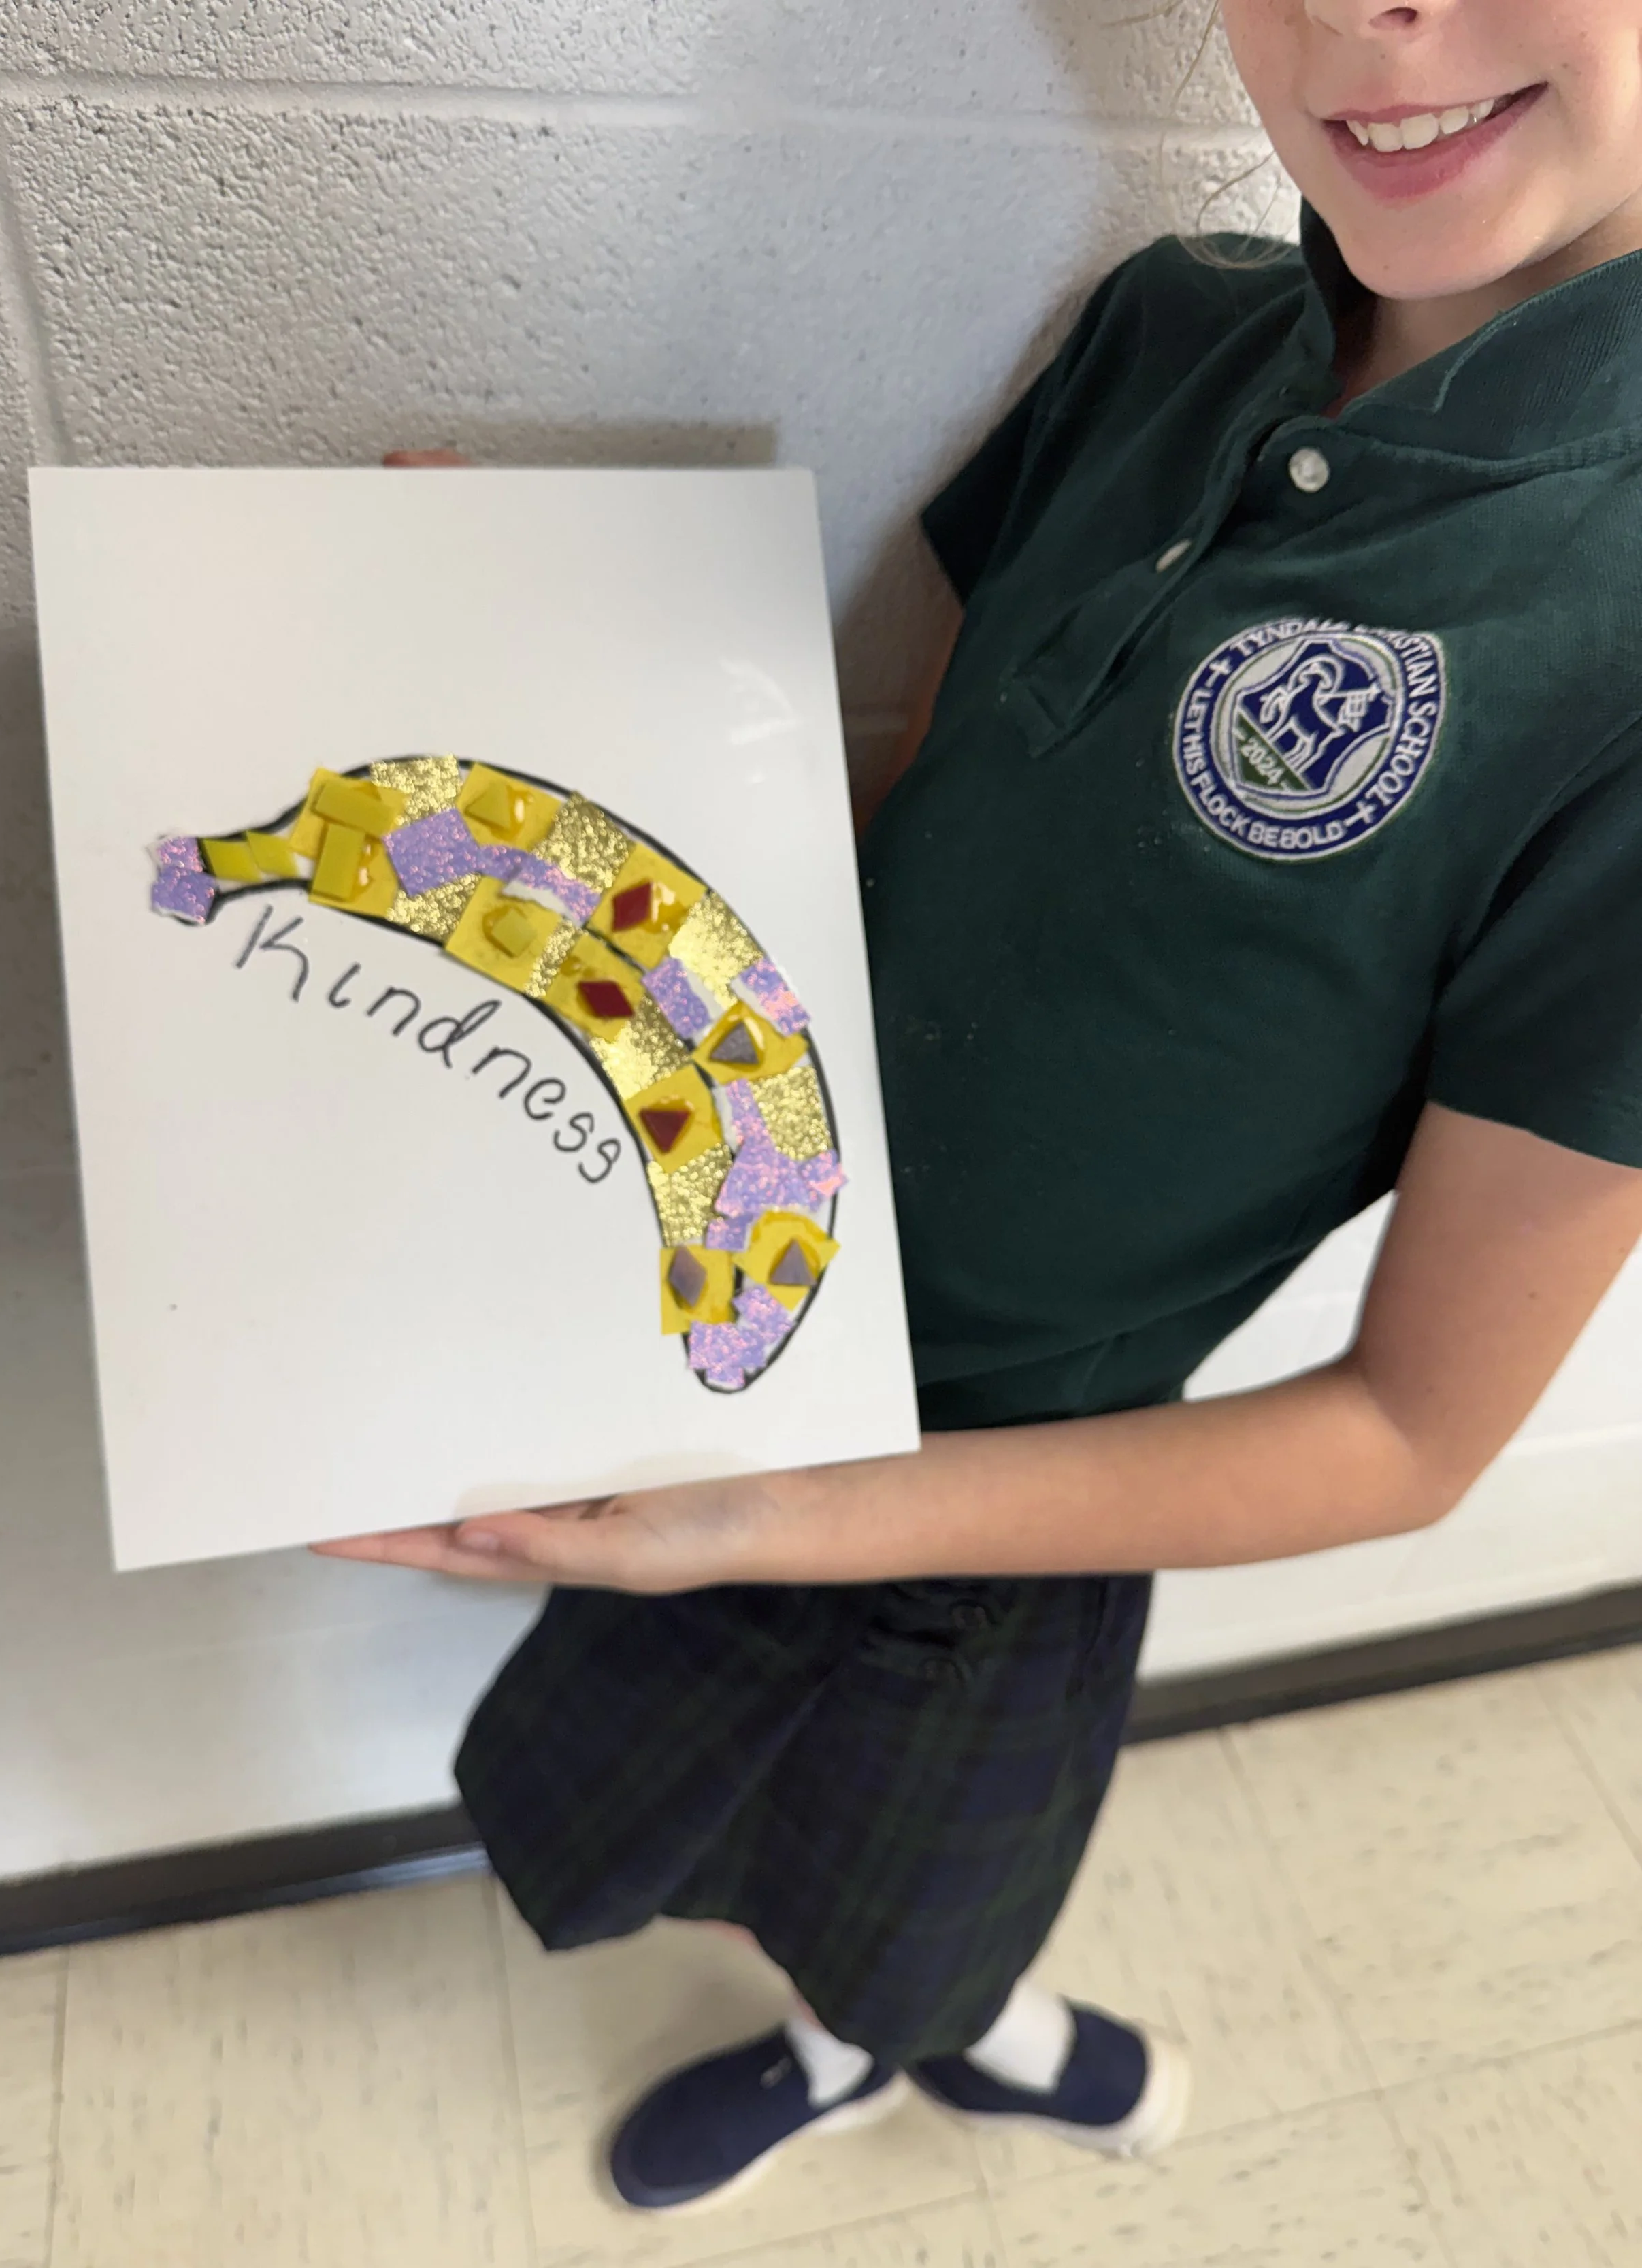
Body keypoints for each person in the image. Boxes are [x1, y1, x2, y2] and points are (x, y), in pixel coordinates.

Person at [325, 0, 1642, 2216]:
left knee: (920, 1904)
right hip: (714, 1331)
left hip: (1006, 1499)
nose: (1365, 26)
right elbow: (921, 828)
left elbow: (1414, 1433)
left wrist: (776, 1516)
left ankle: (946, 2046)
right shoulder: (1165, 330)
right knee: (675, 1807)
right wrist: (540, 709)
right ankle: (863, 2022)